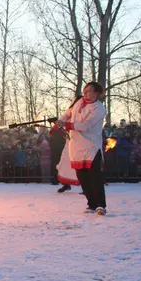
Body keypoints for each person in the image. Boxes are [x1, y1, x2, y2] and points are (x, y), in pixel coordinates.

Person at [54, 82, 107, 215]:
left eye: (88, 91)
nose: (85, 93)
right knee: (83, 177)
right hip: (76, 146)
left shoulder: (99, 108)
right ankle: (91, 204)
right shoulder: (78, 102)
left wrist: (67, 125)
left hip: (91, 146)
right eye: (84, 90)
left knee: (95, 177)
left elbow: (85, 125)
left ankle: (101, 205)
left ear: (96, 93)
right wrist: (60, 121)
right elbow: (68, 113)